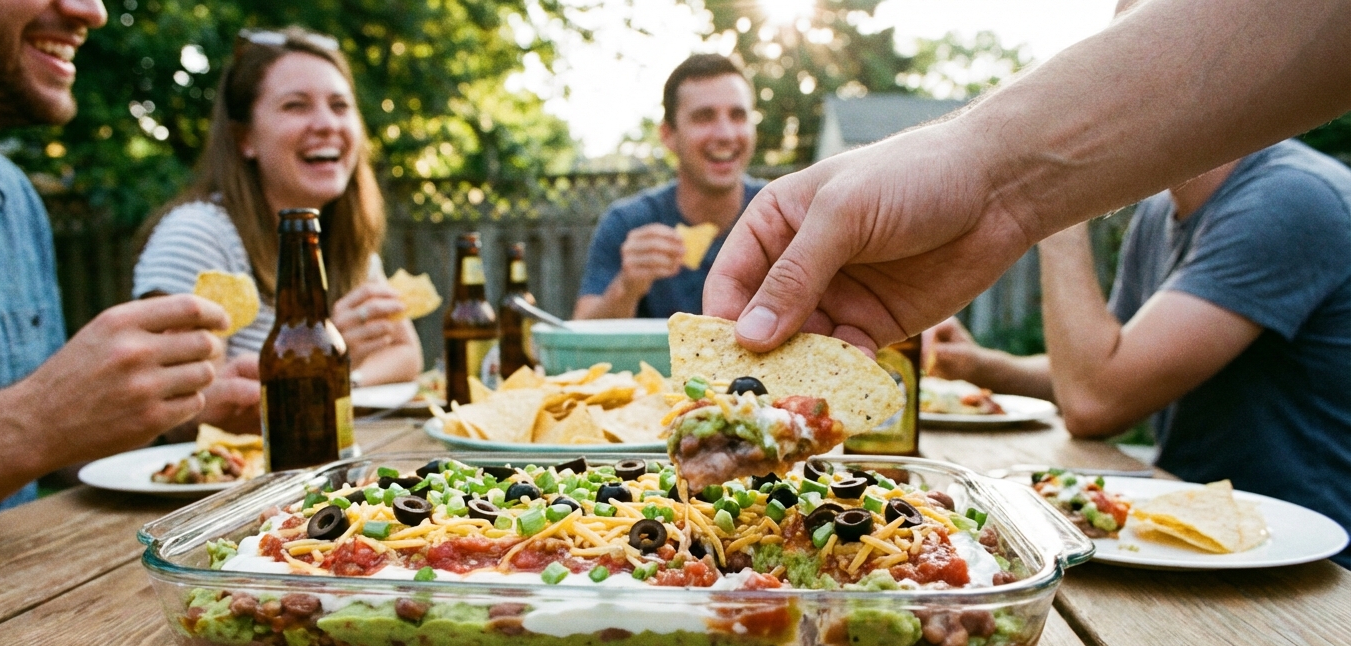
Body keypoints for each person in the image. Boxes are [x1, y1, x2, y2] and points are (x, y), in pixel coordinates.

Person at [702, 0, 1351, 355]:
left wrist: (1025, 199)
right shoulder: (1158, 216)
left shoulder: (1290, 199)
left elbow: (1101, 395)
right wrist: (1002, 192)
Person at [926, 140, 1351, 566]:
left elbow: (1096, 402)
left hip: (1303, 565)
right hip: (1172, 539)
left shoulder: (1289, 199)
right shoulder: (1159, 209)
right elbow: (1101, 367)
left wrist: (1054, 214)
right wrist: (980, 366)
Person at [0, 0, 249, 522]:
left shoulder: (13, 202)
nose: (92, 10)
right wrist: (39, 419)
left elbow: (44, 459)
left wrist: (177, 415)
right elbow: (33, 430)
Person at [133, 27, 422, 395]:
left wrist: (339, 376)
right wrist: (320, 352)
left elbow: (406, 352)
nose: (327, 124)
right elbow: (176, 404)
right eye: (295, 105)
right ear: (245, 139)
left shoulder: (339, 239)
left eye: (340, 106)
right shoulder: (196, 235)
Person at [575, 54, 764, 319]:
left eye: (738, 115)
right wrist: (627, 285)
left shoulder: (781, 214)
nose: (726, 134)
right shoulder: (628, 223)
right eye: (704, 117)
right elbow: (582, 337)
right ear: (668, 136)